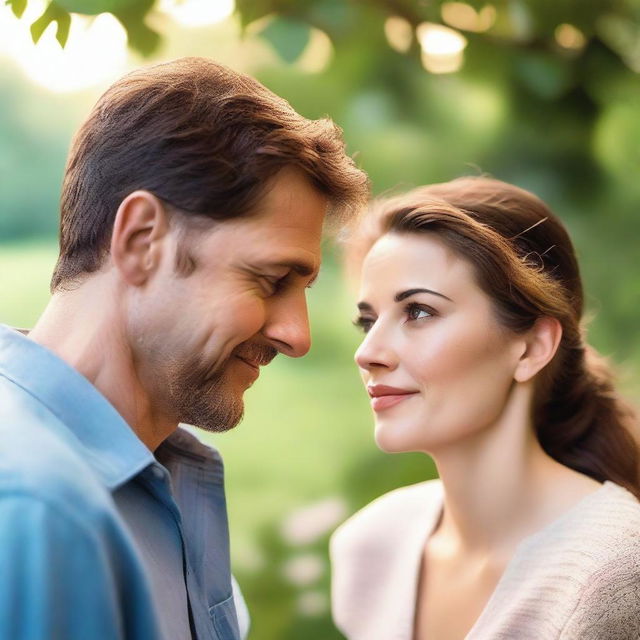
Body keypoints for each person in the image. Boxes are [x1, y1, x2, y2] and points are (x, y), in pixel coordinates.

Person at [0, 57, 368, 640]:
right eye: (271, 280)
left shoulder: (164, 478)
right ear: (144, 240)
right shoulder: (37, 509)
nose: (297, 336)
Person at [331, 177, 640, 640]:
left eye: (418, 311)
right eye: (368, 322)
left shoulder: (612, 571)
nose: (368, 353)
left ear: (532, 347)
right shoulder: (371, 546)